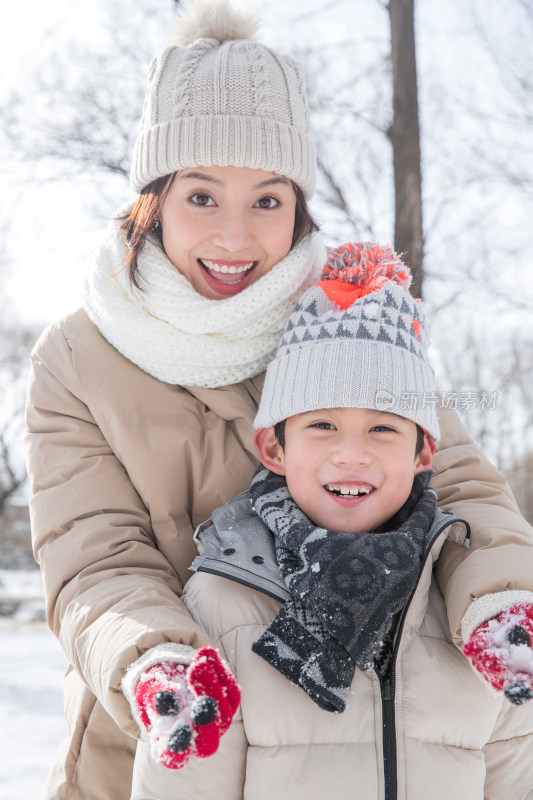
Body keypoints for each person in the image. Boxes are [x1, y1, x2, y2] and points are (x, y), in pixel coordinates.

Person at [23, 2, 533, 799]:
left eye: (266, 199)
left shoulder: (351, 317)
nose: (234, 237)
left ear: (298, 204)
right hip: (162, 744)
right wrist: (155, 662)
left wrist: (499, 602)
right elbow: (94, 560)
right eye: (201, 197)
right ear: (152, 198)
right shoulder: (77, 359)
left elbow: (462, 488)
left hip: (372, 736)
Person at [128, 244, 533, 799]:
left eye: (383, 429)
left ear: (422, 454)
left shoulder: (471, 610)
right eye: (322, 425)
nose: (351, 454)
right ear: (274, 447)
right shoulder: (224, 602)